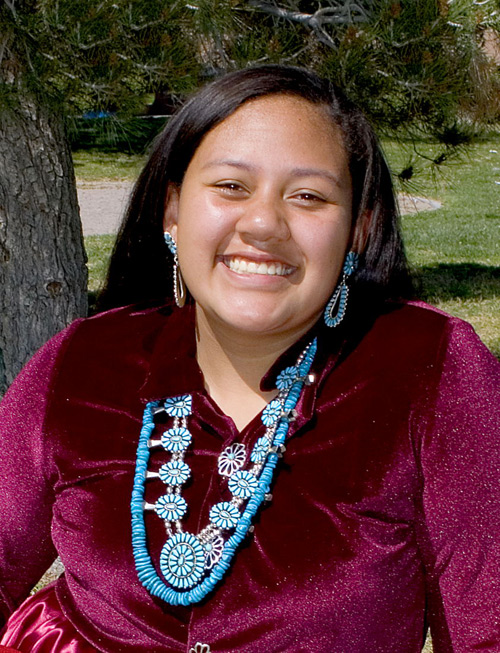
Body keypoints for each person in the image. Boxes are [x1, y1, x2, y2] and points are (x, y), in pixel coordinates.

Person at [0, 65, 498, 653]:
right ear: (173, 211)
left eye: (309, 196)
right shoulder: (84, 360)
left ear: (358, 229)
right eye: (231, 187)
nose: (263, 223)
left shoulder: (431, 371)